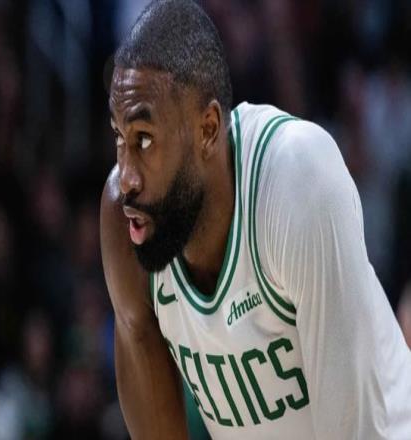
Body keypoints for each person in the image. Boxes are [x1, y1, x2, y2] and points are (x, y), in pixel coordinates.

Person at [100, 1, 411, 438]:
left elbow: (355, 430)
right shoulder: (128, 219)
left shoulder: (296, 179)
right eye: (120, 136)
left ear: (208, 129)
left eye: (145, 139)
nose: (127, 176)